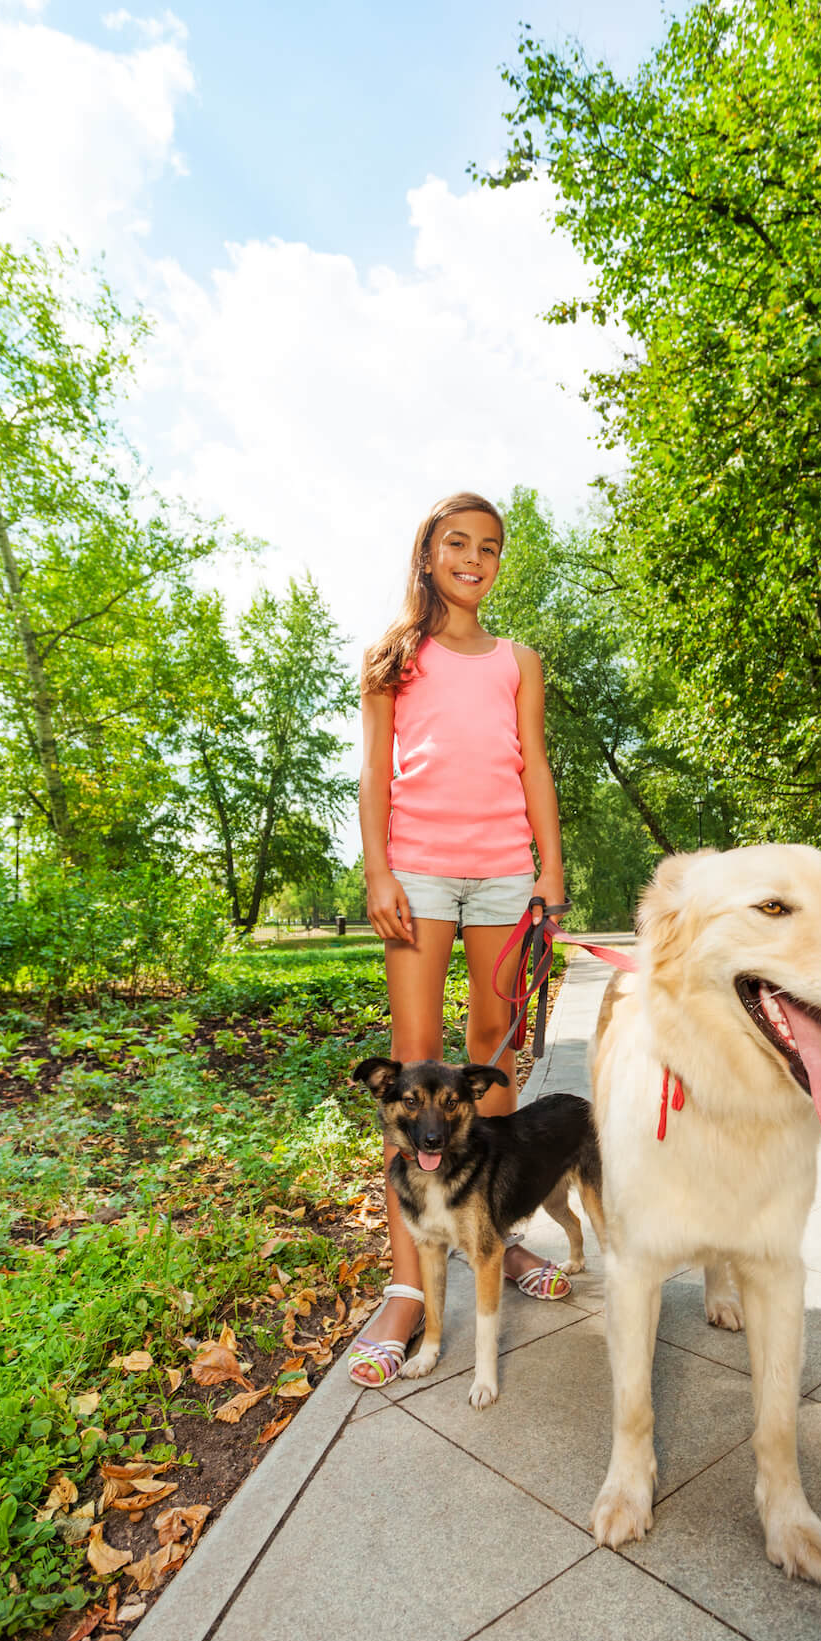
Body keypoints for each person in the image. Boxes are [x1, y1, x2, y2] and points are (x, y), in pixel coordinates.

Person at [349, 491, 570, 1387]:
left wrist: (548, 874)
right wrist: (378, 873)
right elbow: (372, 773)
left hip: (504, 876)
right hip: (421, 872)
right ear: (428, 553)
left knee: (495, 1054)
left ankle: (500, 1235)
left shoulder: (521, 660)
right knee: (416, 1059)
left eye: (489, 547)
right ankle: (409, 1287)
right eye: (457, 543)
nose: (474, 557)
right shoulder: (393, 658)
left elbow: (536, 765)